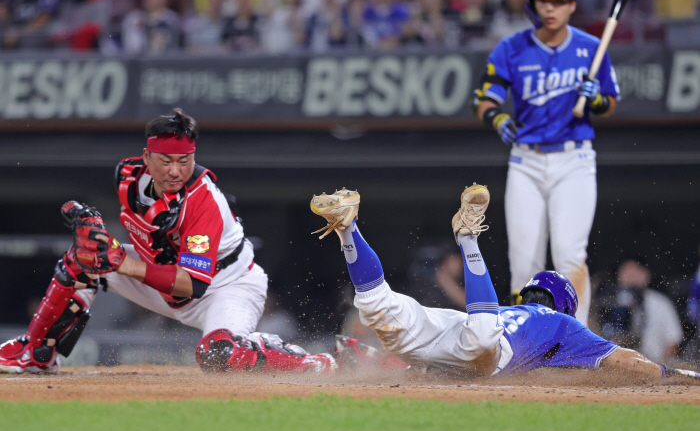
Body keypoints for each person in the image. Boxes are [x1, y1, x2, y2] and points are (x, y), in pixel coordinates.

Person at [0, 108, 335, 375]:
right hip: (162, 275)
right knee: (85, 257)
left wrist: (122, 261)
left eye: (184, 160)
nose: (176, 171)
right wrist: (98, 235)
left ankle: (300, 359)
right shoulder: (127, 178)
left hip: (225, 286)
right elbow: (120, 244)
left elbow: (191, 285)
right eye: (166, 160)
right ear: (147, 158)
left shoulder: (204, 201)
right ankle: (37, 352)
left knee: (219, 354)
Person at [309, 183, 700, 381]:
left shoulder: (518, 310)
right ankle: (468, 239)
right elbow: (627, 361)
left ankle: (348, 229)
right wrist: (680, 376)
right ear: (563, 304)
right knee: (481, 334)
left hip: (449, 334)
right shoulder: (563, 325)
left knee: (379, 305)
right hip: (481, 344)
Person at [472, 0, 621, 327]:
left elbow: (610, 102)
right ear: (533, 5)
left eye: (559, 1)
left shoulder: (590, 47)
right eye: (544, 1)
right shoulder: (511, 47)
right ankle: (522, 334)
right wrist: (497, 119)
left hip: (574, 158)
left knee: (571, 254)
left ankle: (577, 335)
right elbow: (484, 99)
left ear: (572, 5)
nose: (550, 8)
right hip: (526, 161)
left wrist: (595, 98)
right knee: (524, 261)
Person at [597, 259, 684, 365]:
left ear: (646, 274)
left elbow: (674, 341)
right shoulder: (608, 302)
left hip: (653, 364)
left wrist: (662, 366)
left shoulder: (660, 302)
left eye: (635, 271)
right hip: (617, 364)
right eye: (626, 271)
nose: (631, 276)